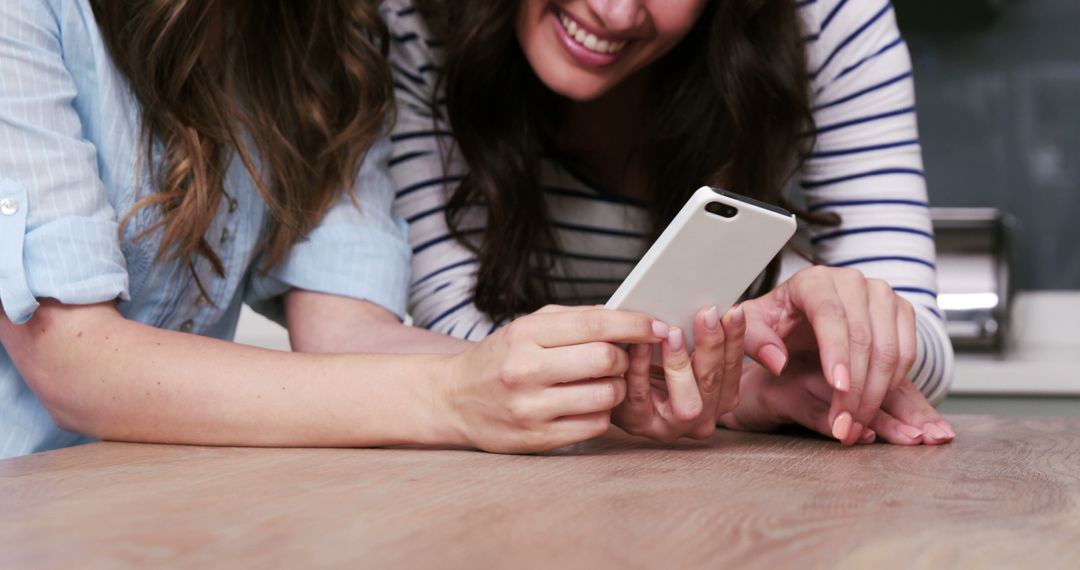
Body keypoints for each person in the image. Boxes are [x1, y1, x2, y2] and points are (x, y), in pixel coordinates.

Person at [0, 0, 671, 459]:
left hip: (148, 510)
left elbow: (346, 333)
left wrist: (602, 377)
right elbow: (73, 359)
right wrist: (452, 397)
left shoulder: (329, 33)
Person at [386, 0, 957, 445]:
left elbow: (922, 351)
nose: (614, 13)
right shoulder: (418, 21)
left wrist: (852, 332)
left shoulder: (829, 18)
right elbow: (461, 353)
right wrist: (738, 389)